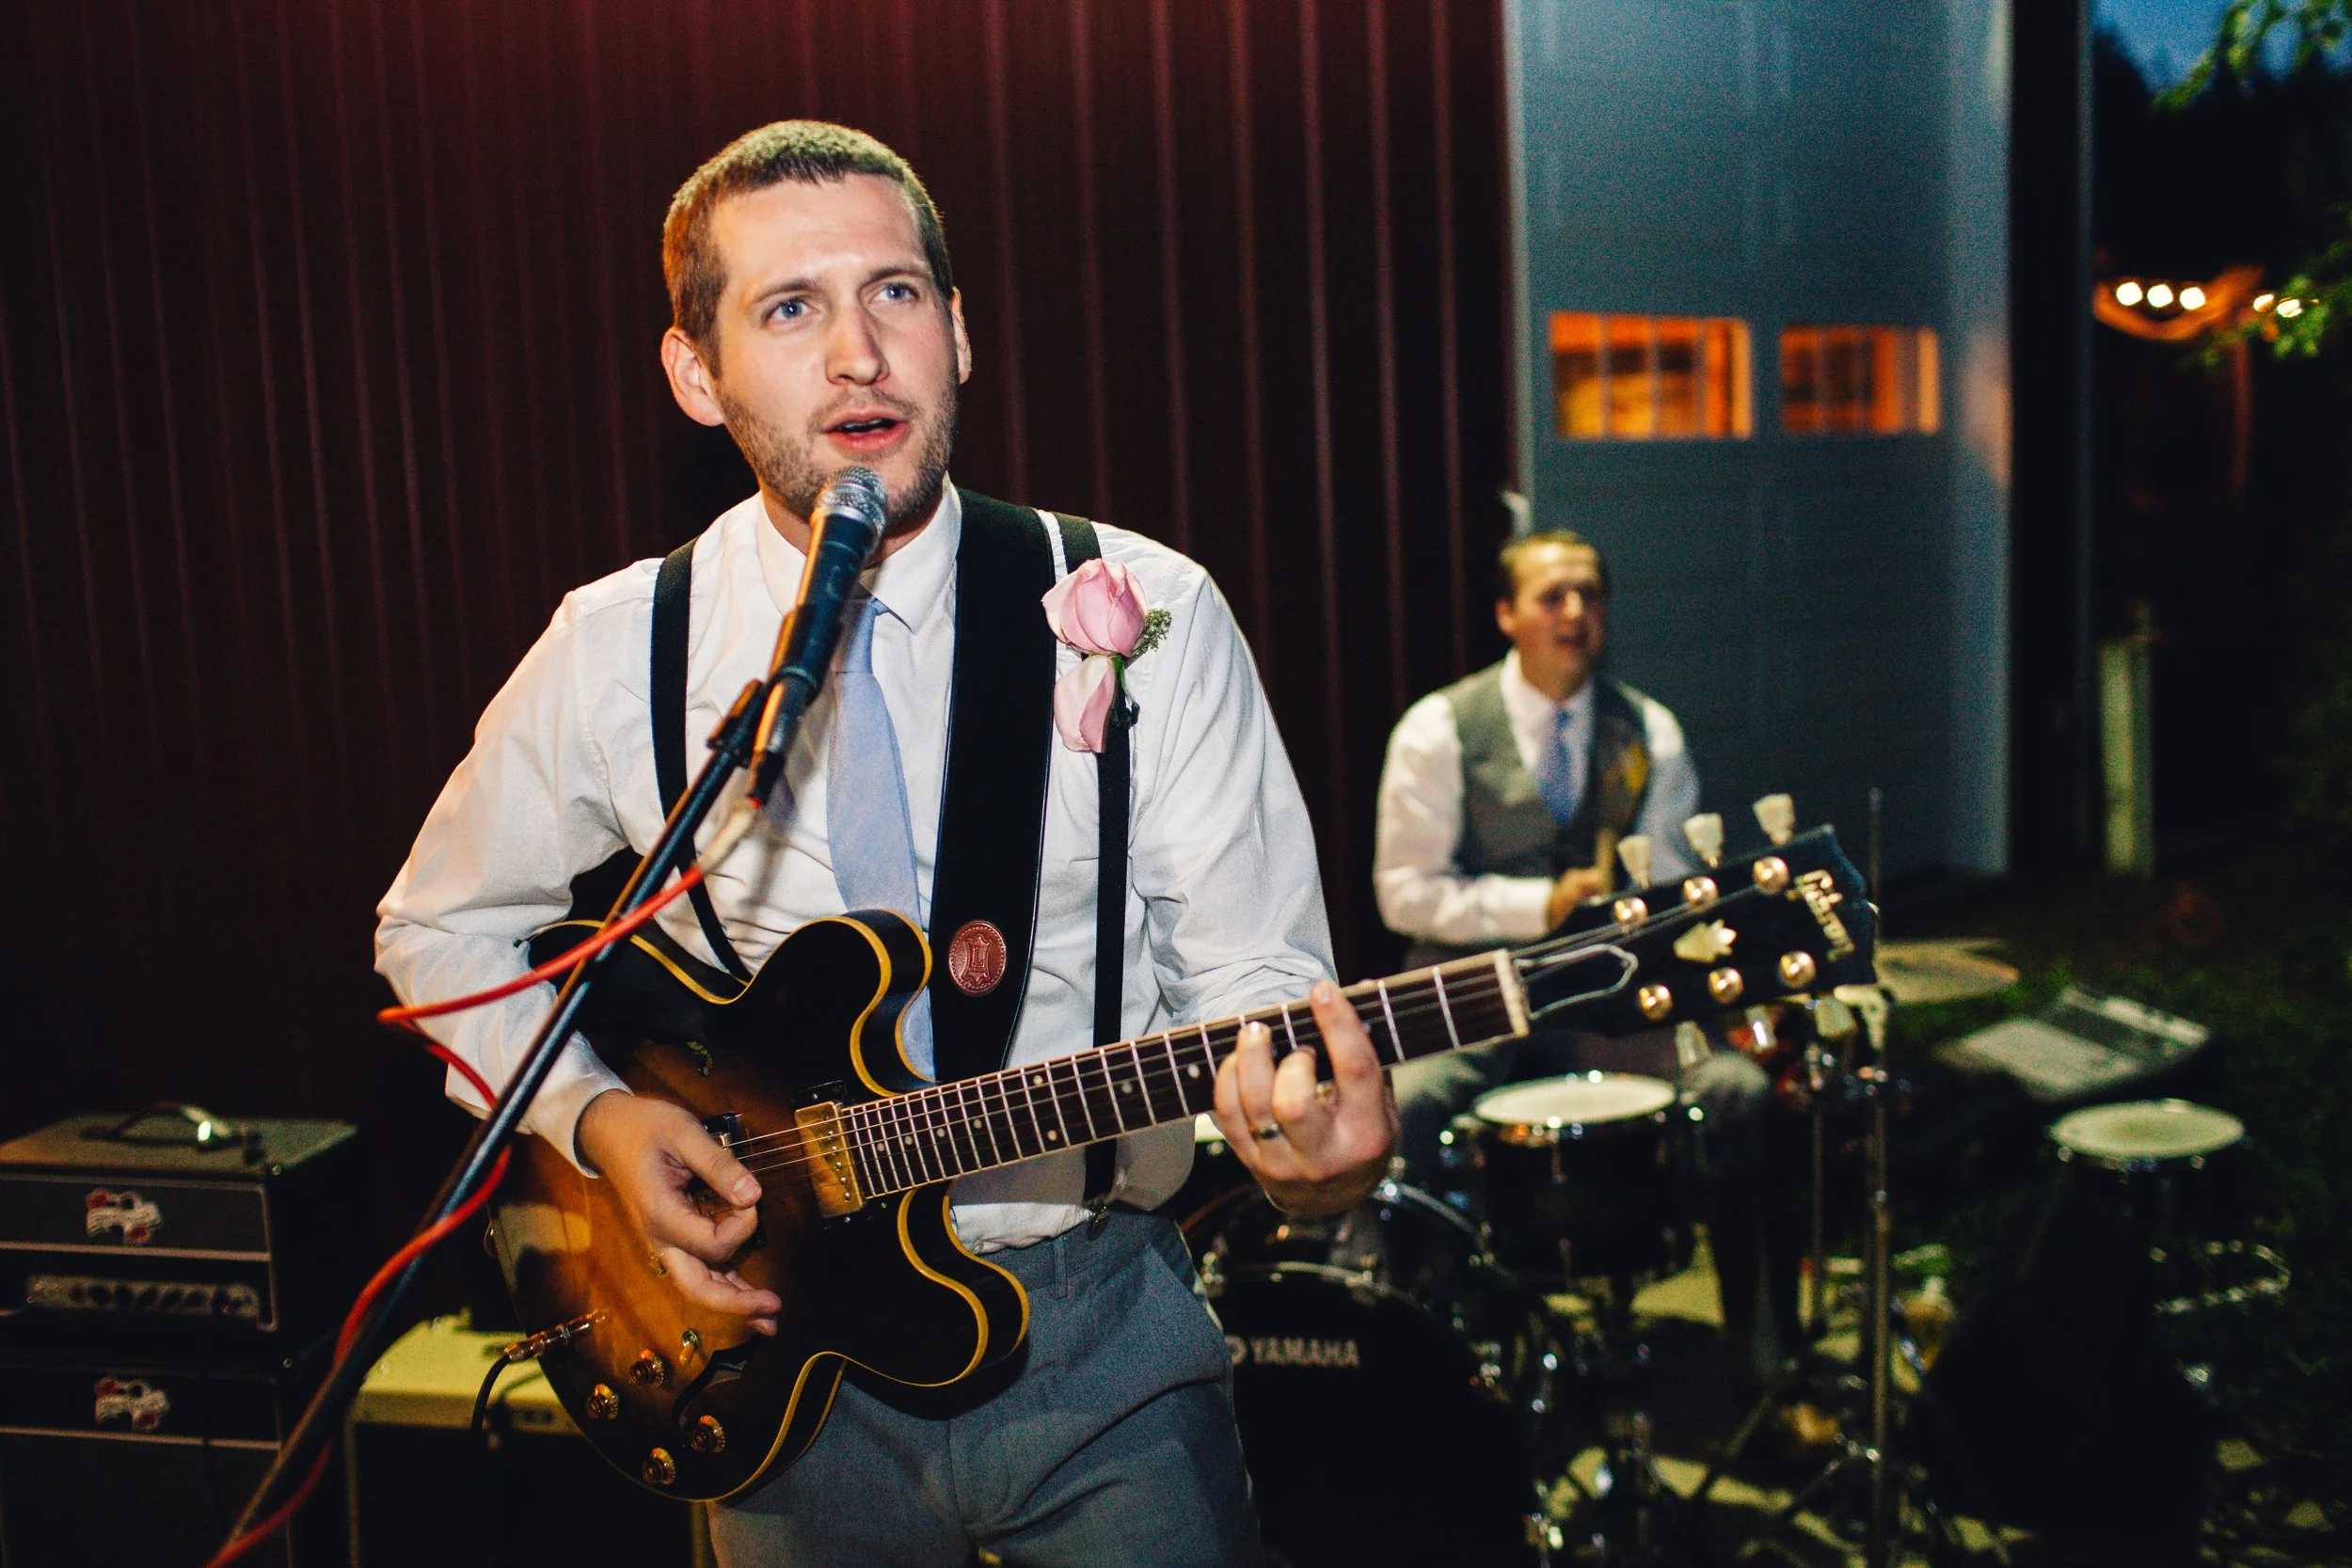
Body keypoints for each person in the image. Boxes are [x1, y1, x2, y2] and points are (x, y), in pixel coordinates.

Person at [376, 120, 1396, 1566]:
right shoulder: (621, 646)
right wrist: (599, 1119)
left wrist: (1316, 1153)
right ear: (695, 373)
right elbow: (436, 932)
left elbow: (1258, 984)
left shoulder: (1142, 603)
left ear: (961, 334)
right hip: (776, 1357)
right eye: (790, 308)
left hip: (1100, 1335)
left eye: (897, 293)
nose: (860, 352)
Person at [1372, 529, 1797, 1378]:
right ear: (1506, 614)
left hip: (1609, 1004)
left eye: (1591, 595)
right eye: (1551, 595)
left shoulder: (1650, 730)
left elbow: (1676, 887)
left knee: (1743, 1095)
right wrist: (1540, 903)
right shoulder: (1440, 728)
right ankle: (1426, 1369)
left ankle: (1766, 1365)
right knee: (1402, 1111)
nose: (1575, 612)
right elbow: (1403, 892)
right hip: (1472, 998)